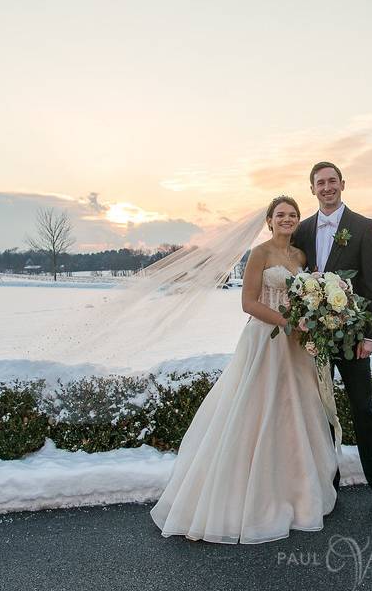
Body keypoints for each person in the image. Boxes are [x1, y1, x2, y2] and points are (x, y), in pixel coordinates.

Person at [149, 195, 341, 544]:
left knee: (295, 412)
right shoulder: (260, 254)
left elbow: (307, 296)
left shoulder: (300, 256)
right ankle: (248, 496)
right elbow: (248, 303)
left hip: (297, 348)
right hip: (266, 340)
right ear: (269, 220)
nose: (287, 219)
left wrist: (310, 318)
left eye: (292, 214)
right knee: (259, 409)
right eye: (280, 214)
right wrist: (288, 322)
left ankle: (297, 492)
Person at [291, 161, 372, 519]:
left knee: (363, 411)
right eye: (320, 183)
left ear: (342, 184)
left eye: (332, 181)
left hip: (353, 338)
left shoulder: (364, 227)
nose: (326, 187)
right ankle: (327, 490)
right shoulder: (302, 230)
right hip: (316, 340)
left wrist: (370, 335)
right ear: (312, 189)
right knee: (320, 414)